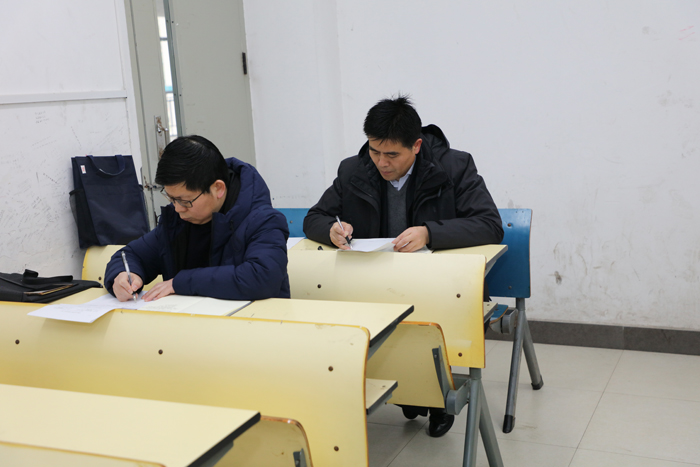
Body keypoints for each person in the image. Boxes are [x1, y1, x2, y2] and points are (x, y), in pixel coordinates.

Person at [302, 95, 503, 437]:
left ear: (417, 146)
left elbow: (489, 224)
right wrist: (331, 230)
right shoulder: (353, 169)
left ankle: (435, 398)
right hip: (376, 284)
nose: (381, 162)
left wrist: (430, 233)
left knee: (425, 332)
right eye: (374, 151)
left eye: (392, 155)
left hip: (436, 285)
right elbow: (315, 217)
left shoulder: (454, 167)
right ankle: (408, 389)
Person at [105, 135, 290, 302]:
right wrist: (124, 276)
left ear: (218, 188)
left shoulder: (264, 221)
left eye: (184, 201)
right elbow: (130, 255)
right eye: (171, 199)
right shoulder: (177, 222)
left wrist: (180, 283)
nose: (177, 208)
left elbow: (262, 277)